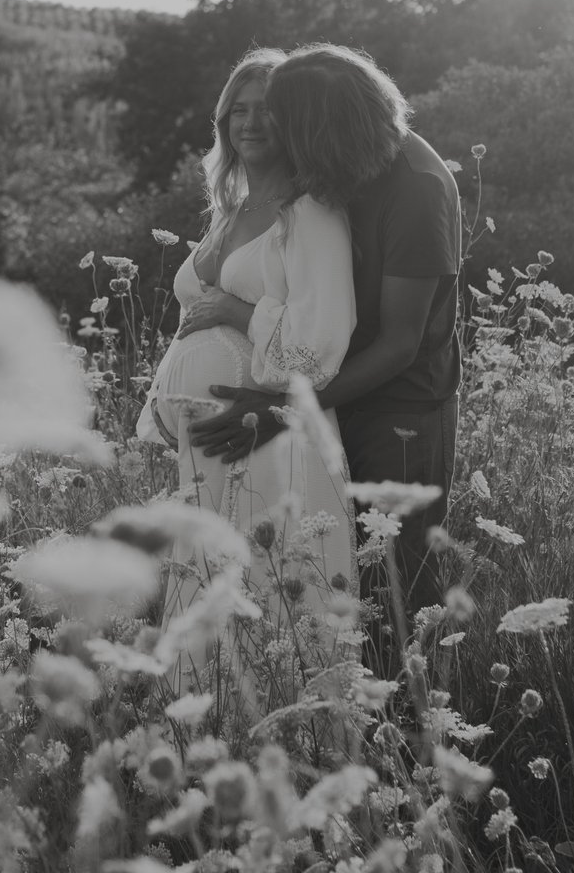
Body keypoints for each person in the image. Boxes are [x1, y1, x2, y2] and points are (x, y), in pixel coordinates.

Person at [188, 43, 461, 663]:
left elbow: (400, 343)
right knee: (334, 572)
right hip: (335, 393)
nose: (281, 138)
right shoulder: (345, 168)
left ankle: (414, 732)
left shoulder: (415, 188)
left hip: (398, 410)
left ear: (328, 123)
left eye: (291, 124)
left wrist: (288, 406)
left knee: (396, 580)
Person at [137, 48, 359, 674]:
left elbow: (321, 345)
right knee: (207, 579)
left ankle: (293, 737)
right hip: (212, 442)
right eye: (238, 110)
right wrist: (163, 402)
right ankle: (205, 735)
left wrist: (237, 315)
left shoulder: (310, 211)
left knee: (274, 587)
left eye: (267, 110)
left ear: (294, 120)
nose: (250, 123)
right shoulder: (229, 209)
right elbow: (192, 324)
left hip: (270, 434)